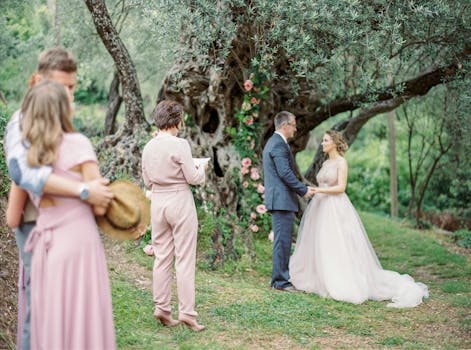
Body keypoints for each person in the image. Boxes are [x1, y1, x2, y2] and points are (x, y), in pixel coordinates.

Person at [3, 47, 113, 350]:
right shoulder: (20, 124)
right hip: (39, 230)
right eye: (63, 87)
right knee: (43, 312)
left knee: (45, 313)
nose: (69, 95)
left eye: (72, 87)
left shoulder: (50, 136)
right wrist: (84, 190)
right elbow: (20, 172)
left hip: (49, 231)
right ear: (38, 80)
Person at [289, 130, 429, 307]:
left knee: (337, 241)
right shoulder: (326, 163)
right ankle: (318, 276)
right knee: (320, 240)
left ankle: (340, 278)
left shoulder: (341, 162)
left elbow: (341, 188)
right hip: (319, 206)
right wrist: (317, 192)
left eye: (325, 140)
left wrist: (319, 191)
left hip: (335, 206)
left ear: (334, 142)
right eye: (323, 140)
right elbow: (323, 183)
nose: (322, 144)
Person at [142, 100, 207, 331]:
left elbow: (147, 181)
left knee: (161, 257)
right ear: (177, 119)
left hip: (158, 202)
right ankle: (187, 313)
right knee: (185, 259)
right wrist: (202, 168)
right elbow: (193, 178)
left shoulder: (149, 146)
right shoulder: (180, 145)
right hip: (179, 201)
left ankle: (162, 308)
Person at [262, 111, 315, 292]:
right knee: (282, 241)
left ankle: (279, 279)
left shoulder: (276, 143)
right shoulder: (277, 144)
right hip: (281, 200)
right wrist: (303, 189)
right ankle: (280, 281)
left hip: (281, 200)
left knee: (282, 240)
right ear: (285, 125)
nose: (296, 128)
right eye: (293, 125)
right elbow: (284, 173)